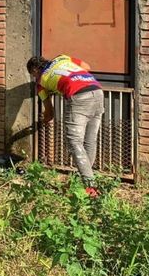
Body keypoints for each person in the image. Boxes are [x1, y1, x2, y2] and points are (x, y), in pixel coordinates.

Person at [27, 55, 104, 197]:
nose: (34, 78)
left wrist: (43, 120)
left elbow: (50, 113)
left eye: (33, 75)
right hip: (97, 91)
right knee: (90, 140)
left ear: (35, 70)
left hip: (78, 96)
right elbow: (87, 67)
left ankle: (90, 187)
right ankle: (86, 182)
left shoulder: (41, 83)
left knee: (74, 141)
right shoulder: (62, 58)